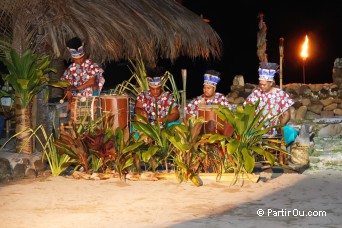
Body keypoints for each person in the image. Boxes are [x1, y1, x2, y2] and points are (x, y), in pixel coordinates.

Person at [244, 62, 297, 144]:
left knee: (291, 133)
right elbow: (247, 110)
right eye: (260, 84)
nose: (261, 86)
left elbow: (287, 115)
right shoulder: (255, 94)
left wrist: (279, 127)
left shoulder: (280, 94)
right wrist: (254, 125)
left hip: (275, 132)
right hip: (257, 131)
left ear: (271, 83)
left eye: (264, 85)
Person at [184, 70, 235, 136]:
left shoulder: (221, 98)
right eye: (204, 88)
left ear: (214, 89)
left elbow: (229, 114)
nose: (205, 90)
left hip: (219, 133)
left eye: (208, 88)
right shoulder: (198, 100)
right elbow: (188, 115)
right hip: (201, 133)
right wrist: (193, 125)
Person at [60, 36, 105, 110]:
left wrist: (75, 88)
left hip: (92, 96)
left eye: (81, 58)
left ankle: (94, 107)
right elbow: (68, 86)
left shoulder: (91, 65)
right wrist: (70, 101)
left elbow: (91, 82)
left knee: (93, 87)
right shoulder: (70, 69)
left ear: (84, 55)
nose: (79, 61)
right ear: (73, 58)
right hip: (77, 98)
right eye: (76, 59)